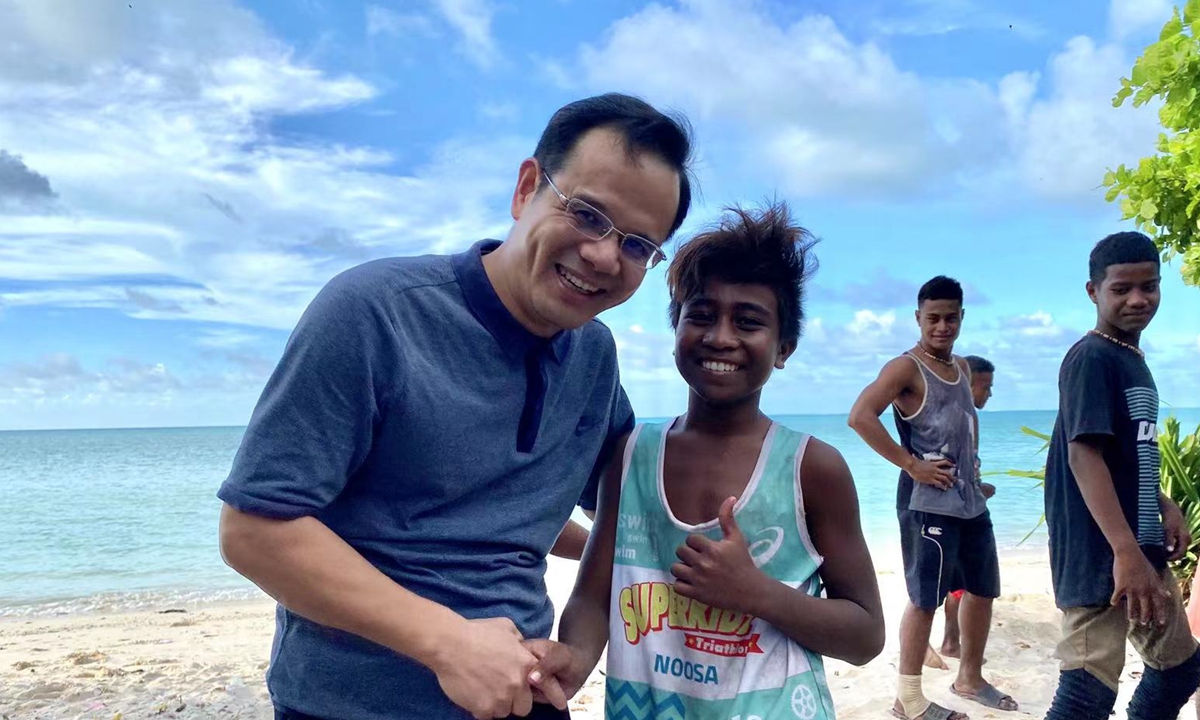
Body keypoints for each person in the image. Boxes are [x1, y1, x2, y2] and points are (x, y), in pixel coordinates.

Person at [215, 93, 695, 720]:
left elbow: (628, 514)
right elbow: (253, 530)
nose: (605, 255)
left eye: (637, 245)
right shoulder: (374, 312)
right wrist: (448, 645)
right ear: (527, 189)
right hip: (349, 706)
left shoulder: (594, 358)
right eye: (586, 215)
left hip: (525, 698)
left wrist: (579, 647)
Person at [529, 202, 885, 718]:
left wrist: (757, 592)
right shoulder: (629, 454)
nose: (720, 336)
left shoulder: (812, 468)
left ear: (783, 347)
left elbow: (866, 636)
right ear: (676, 330)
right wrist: (578, 657)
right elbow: (593, 593)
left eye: (748, 321)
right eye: (700, 315)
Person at [1043, 231, 1200, 720]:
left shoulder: (1129, 358)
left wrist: (1164, 505)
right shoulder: (1091, 358)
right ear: (1093, 292)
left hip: (1137, 548)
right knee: (1085, 696)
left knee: (1179, 670)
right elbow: (1084, 456)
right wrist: (1125, 552)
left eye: (1149, 286)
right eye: (1121, 289)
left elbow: (1128, 454)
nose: (1138, 299)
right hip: (1102, 556)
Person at [849, 276, 1017, 720]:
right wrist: (910, 464)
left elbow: (965, 425)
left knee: (983, 589)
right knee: (926, 599)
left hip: (968, 503)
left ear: (962, 317)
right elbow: (860, 417)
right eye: (933, 318)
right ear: (918, 319)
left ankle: (970, 678)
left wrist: (974, 478)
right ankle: (908, 698)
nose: (942, 326)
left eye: (950, 317)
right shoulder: (905, 368)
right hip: (927, 504)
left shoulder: (961, 367)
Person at [926, 355, 996, 669]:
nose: (989, 394)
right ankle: (943, 643)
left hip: (966, 510)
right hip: (945, 513)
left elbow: (968, 468)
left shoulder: (971, 419)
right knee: (940, 587)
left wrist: (978, 490)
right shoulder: (949, 417)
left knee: (959, 585)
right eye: (986, 386)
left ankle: (950, 642)